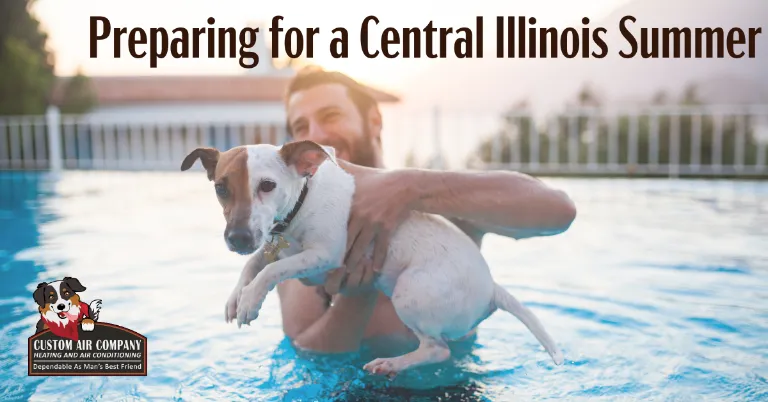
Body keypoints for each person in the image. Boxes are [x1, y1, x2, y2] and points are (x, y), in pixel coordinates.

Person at [242, 65, 577, 355]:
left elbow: (559, 210)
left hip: (454, 390)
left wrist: (411, 188)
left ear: (374, 121)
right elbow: (308, 354)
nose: (316, 135)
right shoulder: (292, 237)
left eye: (331, 116)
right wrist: (356, 297)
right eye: (301, 127)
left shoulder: (438, 204)